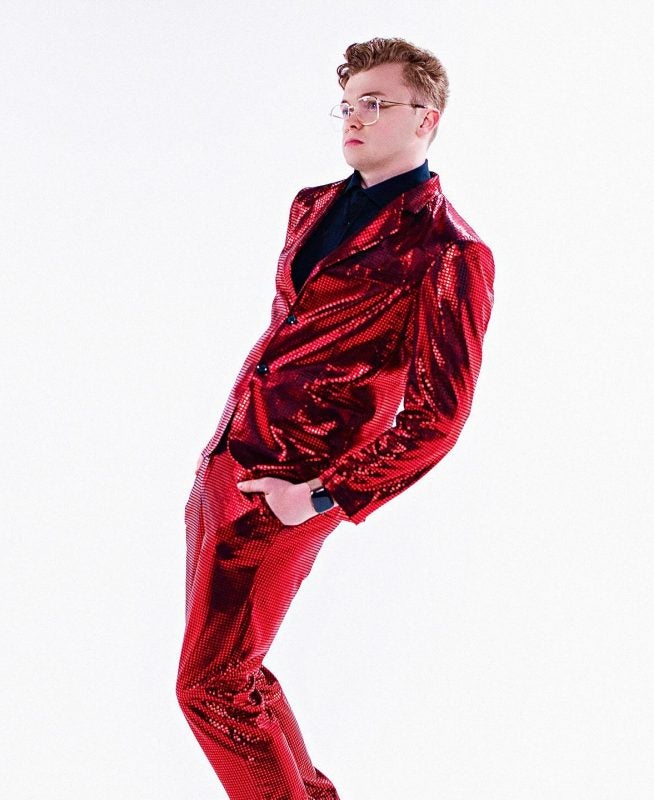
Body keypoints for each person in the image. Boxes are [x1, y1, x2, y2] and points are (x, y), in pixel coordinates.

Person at [176, 36, 495, 799]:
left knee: (210, 686)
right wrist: (221, 449)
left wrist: (321, 494)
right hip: (228, 459)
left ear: (428, 119)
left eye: (376, 103)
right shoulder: (312, 204)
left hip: (292, 485)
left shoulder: (448, 251)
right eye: (349, 104)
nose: (354, 117)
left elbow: (439, 417)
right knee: (235, 672)